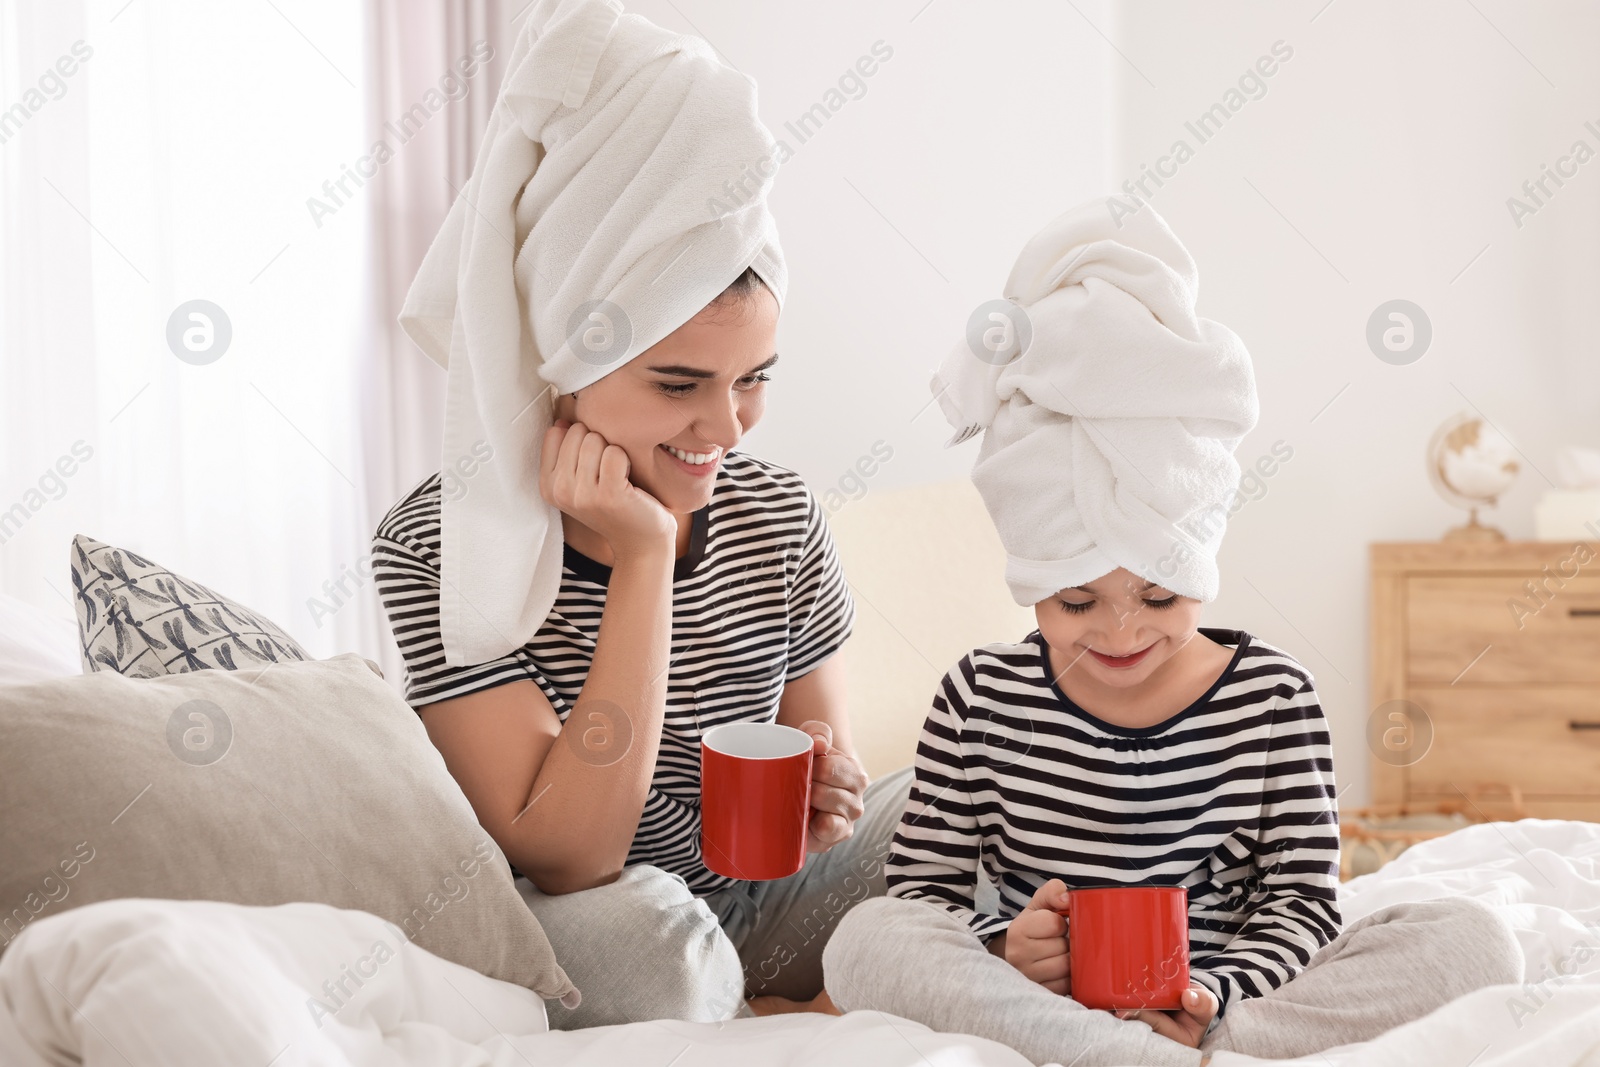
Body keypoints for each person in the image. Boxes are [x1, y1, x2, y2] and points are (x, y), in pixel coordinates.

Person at [815, 198, 1523, 1066]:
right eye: (1076, 602)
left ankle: (1196, 1047)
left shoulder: (1271, 696)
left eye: (1158, 596)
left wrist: (1214, 994)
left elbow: (1303, 903)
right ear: (1032, 583)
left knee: (1473, 938)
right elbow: (923, 893)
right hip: (1044, 999)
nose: (1119, 631)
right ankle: (1112, 1049)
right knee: (867, 938)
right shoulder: (980, 695)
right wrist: (1008, 944)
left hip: (1221, 997)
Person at [370, 0, 911, 1029]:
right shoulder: (438, 543)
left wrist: (829, 797)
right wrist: (644, 556)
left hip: (771, 900)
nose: (727, 427)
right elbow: (572, 852)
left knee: (955, 804)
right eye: (677, 385)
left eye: (753, 378)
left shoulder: (778, 512)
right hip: (614, 912)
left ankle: (784, 1001)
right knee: (636, 940)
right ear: (561, 366)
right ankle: (803, 1005)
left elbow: (822, 761)